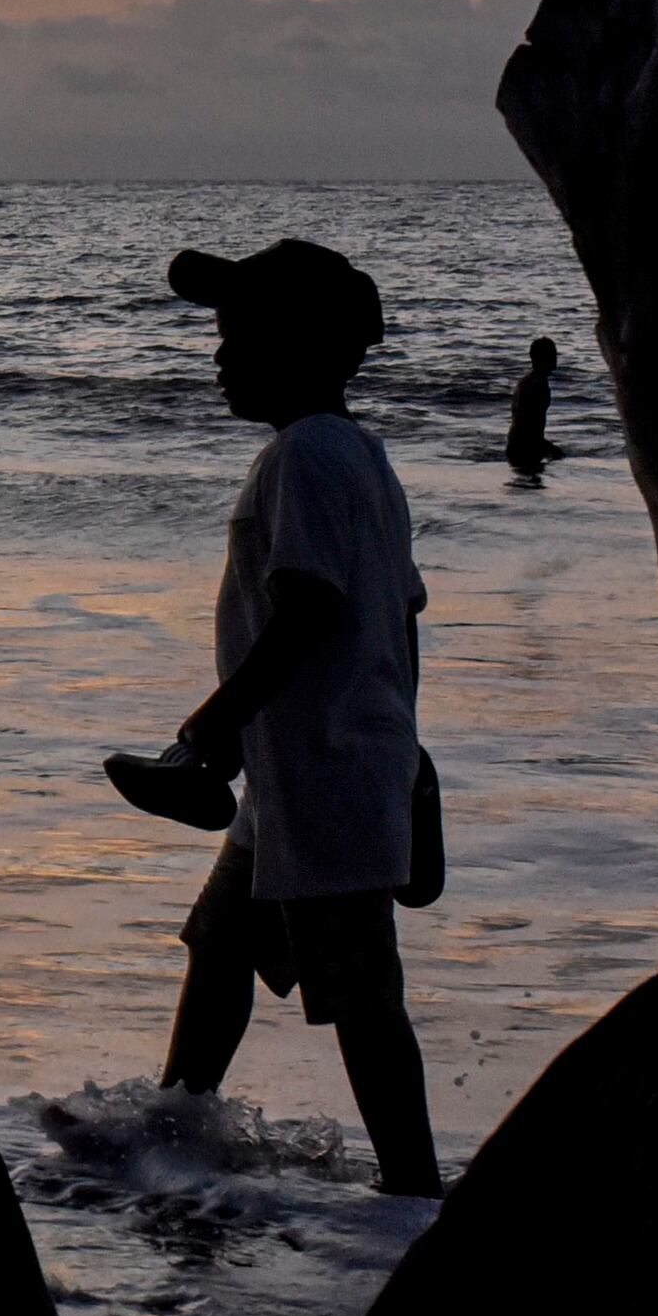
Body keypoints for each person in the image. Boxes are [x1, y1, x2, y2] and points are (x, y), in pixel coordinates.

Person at [128, 238, 442, 1195]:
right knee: (220, 945)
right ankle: (172, 1126)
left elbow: (311, 609)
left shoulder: (304, 455)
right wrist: (412, 751)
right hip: (308, 769)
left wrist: (214, 726)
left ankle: (415, 1189)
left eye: (240, 337)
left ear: (305, 348)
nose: (220, 359)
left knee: (361, 994)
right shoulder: (358, 454)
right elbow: (403, 615)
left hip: (323, 764)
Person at [505, 335, 558, 475]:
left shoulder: (531, 382)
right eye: (552, 354)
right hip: (524, 447)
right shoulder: (535, 386)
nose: (555, 358)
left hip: (521, 444)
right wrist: (547, 447)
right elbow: (526, 424)